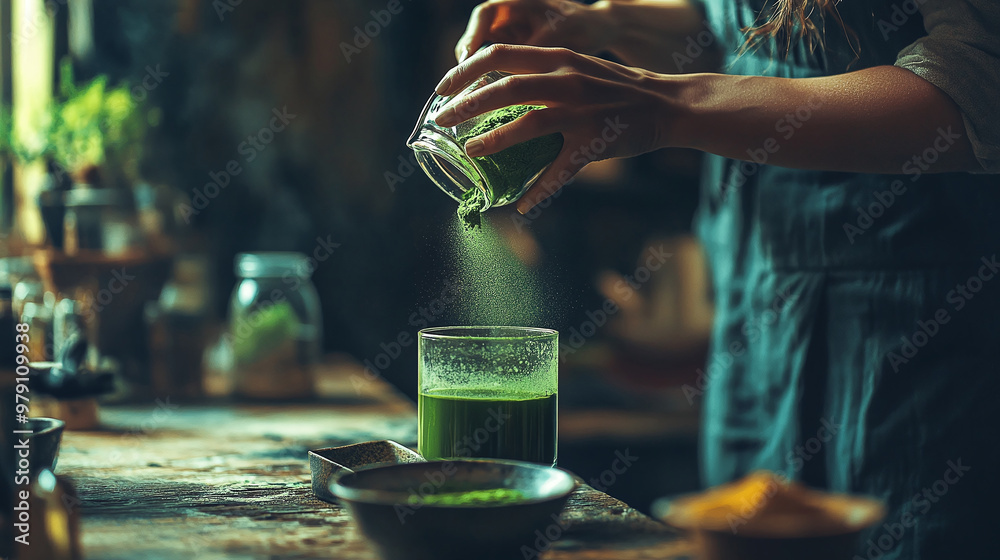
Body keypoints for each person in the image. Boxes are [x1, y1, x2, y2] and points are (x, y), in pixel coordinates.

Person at [438, 1, 1000, 558]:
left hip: (919, 328)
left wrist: (668, 105)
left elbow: (979, 77)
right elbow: (741, 38)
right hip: (754, 315)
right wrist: (612, 21)